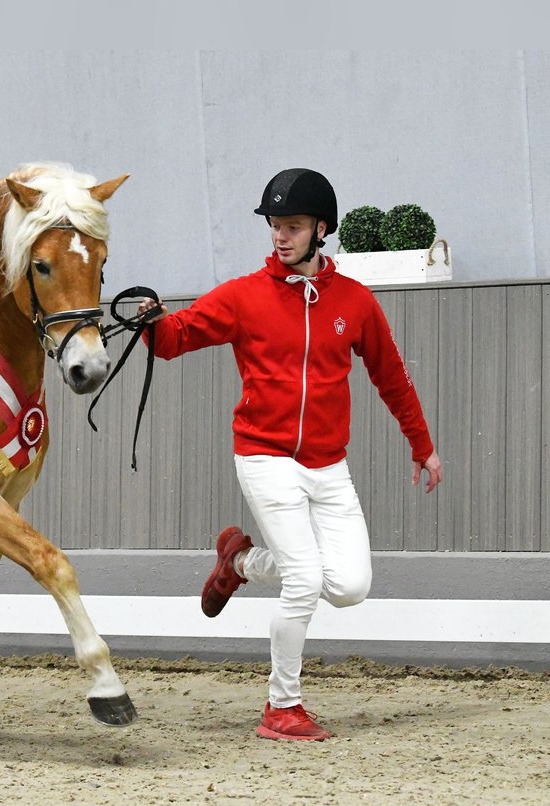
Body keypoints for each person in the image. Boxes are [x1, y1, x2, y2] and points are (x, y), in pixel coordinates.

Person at [138, 167, 443, 741]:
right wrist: (153, 323)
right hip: (264, 456)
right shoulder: (243, 296)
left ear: (321, 229)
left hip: (328, 466)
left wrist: (422, 447)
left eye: (294, 226)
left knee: (349, 586)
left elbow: (391, 376)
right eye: (276, 225)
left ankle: (241, 562)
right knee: (304, 577)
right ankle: (282, 707)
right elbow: (177, 337)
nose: (281, 236)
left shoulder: (353, 301)